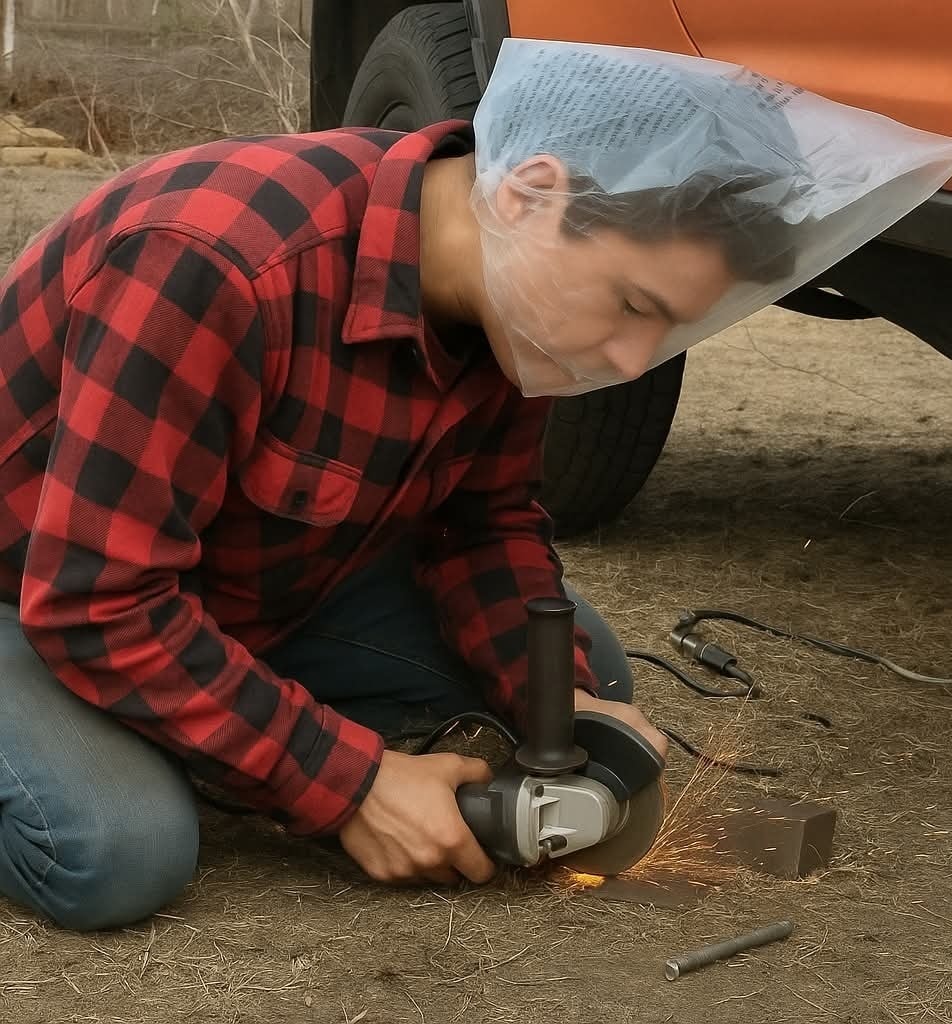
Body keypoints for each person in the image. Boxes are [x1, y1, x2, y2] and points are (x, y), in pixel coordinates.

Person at [0, 45, 813, 932]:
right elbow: (96, 600)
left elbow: (482, 526)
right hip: (42, 591)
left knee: (581, 683)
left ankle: (193, 713)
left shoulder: (505, 301)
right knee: (114, 849)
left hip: (230, 584)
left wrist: (565, 702)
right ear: (530, 193)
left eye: (666, 330)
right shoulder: (214, 261)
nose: (626, 362)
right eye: (631, 305)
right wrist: (350, 785)